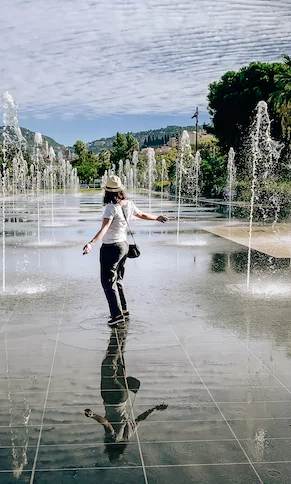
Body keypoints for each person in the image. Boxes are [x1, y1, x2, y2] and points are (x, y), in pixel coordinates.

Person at [83, 174, 167, 326]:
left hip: (111, 247)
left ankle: (116, 316)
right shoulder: (128, 204)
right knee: (118, 280)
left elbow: (104, 229)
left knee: (108, 283)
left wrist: (91, 243)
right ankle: (124, 311)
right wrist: (156, 217)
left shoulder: (110, 207)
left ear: (107, 191)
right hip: (124, 246)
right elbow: (141, 214)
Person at [84, 325, 168, 462]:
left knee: (119, 361)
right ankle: (118, 331)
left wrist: (156, 408)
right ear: (112, 449)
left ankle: (122, 333)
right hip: (111, 398)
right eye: (110, 454)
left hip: (123, 397)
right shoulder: (113, 439)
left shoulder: (128, 436)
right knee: (108, 364)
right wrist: (93, 415)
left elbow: (140, 418)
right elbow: (106, 423)